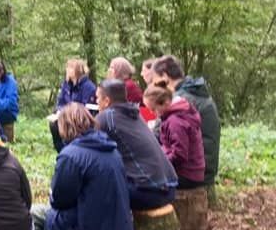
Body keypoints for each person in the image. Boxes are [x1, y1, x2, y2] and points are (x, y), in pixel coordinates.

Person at [31, 104, 136, 230]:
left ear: (64, 125)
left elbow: (59, 200)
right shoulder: (110, 148)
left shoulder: (71, 156)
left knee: (32, 216)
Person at [95, 79, 177, 210]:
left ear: (107, 101)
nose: (96, 101)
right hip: (170, 187)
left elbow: (85, 148)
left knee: (94, 188)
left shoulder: (106, 117)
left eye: (97, 97)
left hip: (151, 193)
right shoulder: (135, 113)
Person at [151, 55, 221, 189]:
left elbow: (155, 137)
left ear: (165, 77)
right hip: (204, 169)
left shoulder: (178, 101)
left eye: (155, 82)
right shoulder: (194, 92)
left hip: (191, 174)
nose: (154, 87)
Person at [143, 85, 206, 189]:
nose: (152, 113)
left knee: (146, 181)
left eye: (153, 109)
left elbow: (179, 155)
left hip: (187, 174)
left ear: (166, 103)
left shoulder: (175, 122)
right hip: (188, 171)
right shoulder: (172, 116)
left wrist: (159, 161)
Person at [49, 59, 98, 152]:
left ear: (78, 70)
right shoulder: (66, 85)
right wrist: (61, 112)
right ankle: (61, 151)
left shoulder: (88, 87)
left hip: (80, 118)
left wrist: (71, 114)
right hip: (66, 114)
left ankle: (73, 151)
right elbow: (60, 102)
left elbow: (86, 107)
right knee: (53, 125)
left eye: (71, 67)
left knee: (71, 126)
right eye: (67, 67)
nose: (67, 70)